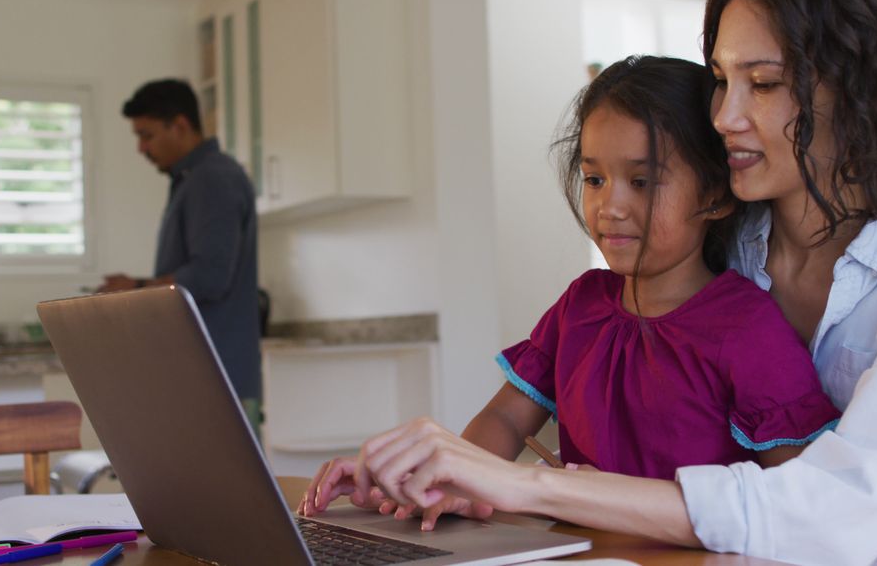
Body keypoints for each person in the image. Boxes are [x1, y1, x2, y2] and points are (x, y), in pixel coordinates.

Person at [301, 0, 877, 563]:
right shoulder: (715, 245)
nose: (724, 116)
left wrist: (531, 488)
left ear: (866, 90)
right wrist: (427, 477)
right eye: (720, 79)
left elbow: (836, 512)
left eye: (766, 83)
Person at [300, 54, 840, 527]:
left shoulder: (748, 330)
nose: (611, 206)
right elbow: (507, 418)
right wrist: (435, 480)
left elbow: (797, 502)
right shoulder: (582, 304)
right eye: (595, 179)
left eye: (642, 181)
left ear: (717, 195)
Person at [100, 79, 263, 429]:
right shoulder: (194, 178)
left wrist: (137, 289)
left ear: (180, 125)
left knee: (224, 484)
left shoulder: (212, 179)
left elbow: (209, 276)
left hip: (215, 376)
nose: (141, 148)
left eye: (147, 135)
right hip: (206, 373)